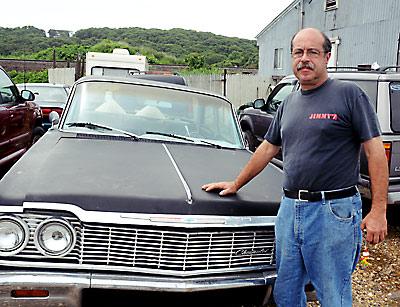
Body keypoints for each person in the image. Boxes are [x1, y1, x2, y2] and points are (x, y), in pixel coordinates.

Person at [202, 28, 388, 306]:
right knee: (286, 293)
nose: (304, 59)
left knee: (332, 294)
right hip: (290, 210)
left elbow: (375, 153)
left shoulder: (349, 94)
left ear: (327, 56)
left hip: (333, 212)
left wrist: (378, 211)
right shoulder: (289, 102)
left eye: (312, 52)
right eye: (298, 52)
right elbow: (267, 148)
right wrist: (236, 183)